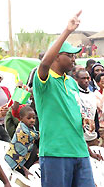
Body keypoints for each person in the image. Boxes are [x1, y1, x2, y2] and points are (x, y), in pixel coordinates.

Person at [33, 11, 95, 187]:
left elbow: (69, 110)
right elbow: (44, 64)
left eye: (75, 56)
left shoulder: (72, 82)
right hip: (56, 152)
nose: (74, 60)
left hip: (80, 151)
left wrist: (84, 119)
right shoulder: (44, 80)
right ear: (56, 56)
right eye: (70, 55)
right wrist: (67, 31)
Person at [5, 106, 39, 178]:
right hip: (16, 156)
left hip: (24, 156)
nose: (32, 120)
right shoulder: (23, 130)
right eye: (29, 118)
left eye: (34, 118)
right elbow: (33, 136)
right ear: (21, 119)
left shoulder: (31, 128)